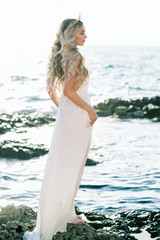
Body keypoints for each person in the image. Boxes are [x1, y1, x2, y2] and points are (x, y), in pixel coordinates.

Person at [23, 17, 98, 240]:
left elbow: (52, 90)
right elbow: (68, 91)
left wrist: (64, 111)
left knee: (64, 164)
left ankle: (67, 212)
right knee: (72, 165)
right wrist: (89, 110)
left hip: (69, 117)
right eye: (82, 33)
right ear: (71, 35)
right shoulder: (75, 57)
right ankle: (62, 214)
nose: (85, 36)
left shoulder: (62, 57)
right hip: (77, 117)